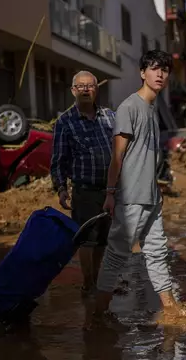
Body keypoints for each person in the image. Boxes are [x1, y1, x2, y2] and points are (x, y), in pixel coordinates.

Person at [90, 50, 186, 327]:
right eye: (154, 69)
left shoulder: (152, 110)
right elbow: (117, 156)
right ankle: (97, 315)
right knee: (117, 253)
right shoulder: (130, 107)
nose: (160, 74)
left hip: (150, 195)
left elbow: (148, 157)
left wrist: (157, 189)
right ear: (142, 73)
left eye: (165, 70)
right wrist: (110, 193)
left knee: (157, 251)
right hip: (131, 196)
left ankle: (170, 308)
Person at [50, 70, 114, 295]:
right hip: (84, 190)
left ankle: (97, 278)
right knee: (87, 240)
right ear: (73, 91)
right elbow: (59, 159)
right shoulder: (65, 122)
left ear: (96, 90)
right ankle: (88, 283)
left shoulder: (109, 117)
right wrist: (60, 188)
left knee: (103, 240)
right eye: (81, 86)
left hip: (110, 191)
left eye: (90, 86)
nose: (86, 89)